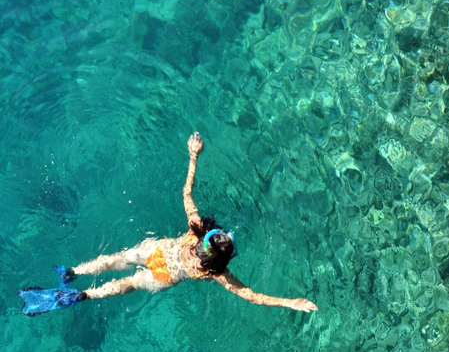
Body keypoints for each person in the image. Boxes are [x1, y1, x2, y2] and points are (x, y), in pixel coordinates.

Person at [19, 132, 318, 316]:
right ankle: (84, 295)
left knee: (114, 260)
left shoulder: (194, 227)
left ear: (207, 237)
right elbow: (251, 296)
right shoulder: (217, 273)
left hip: (157, 251)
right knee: (126, 285)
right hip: (165, 275)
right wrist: (290, 302)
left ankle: (73, 272)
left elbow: (186, 192)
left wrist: (193, 156)